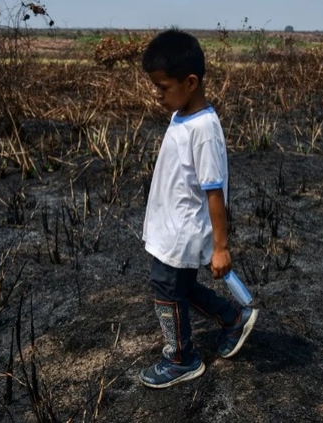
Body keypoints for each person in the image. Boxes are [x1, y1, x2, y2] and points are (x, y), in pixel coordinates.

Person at [138, 29, 259, 389]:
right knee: (182, 288)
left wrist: (220, 247)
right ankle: (233, 317)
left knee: (168, 287)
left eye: (163, 87)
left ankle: (181, 359)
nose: (157, 95)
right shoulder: (182, 116)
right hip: (170, 226)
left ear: (190, 82)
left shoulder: (204, 129)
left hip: (182, 231)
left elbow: (214, 193)